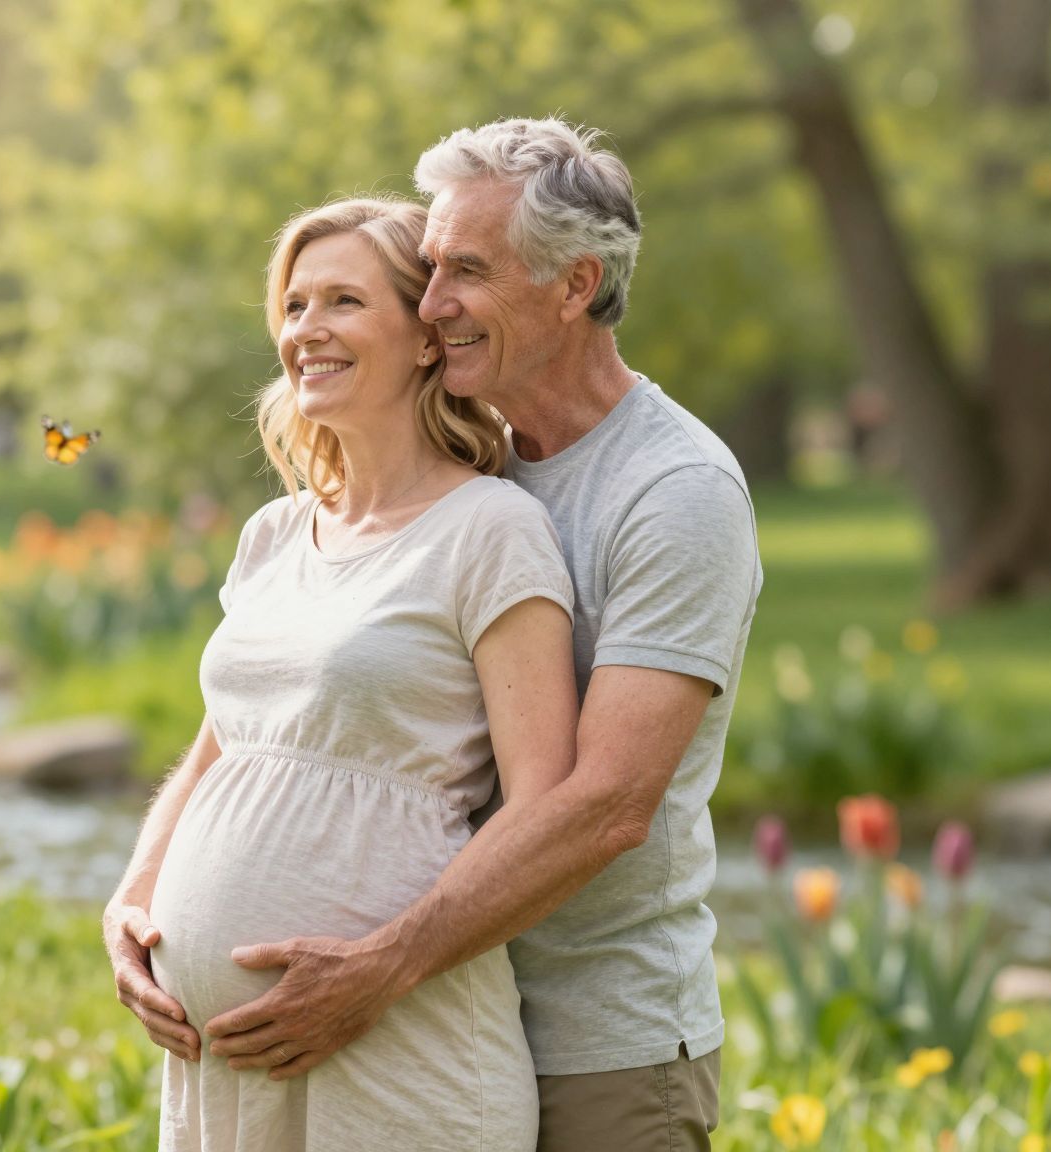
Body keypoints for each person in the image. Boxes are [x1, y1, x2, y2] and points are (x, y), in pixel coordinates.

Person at [194, 119, 763, 1151]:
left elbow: (606, 806)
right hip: (428, 1015)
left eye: (463, 270)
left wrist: (381, 964)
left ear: (572, 283)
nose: (432, 299)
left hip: (596, 1036)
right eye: (425, 271)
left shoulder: (672, 492)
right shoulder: (468, 462)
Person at [102, 196, 581, 1149]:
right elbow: (215, 755)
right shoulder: (274, 533)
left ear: (423, 336)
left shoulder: (491, 531)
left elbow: (544, 803)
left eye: (343, 302)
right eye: (293, 305)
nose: (305, 330)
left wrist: (377, 967)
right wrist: (135, 895)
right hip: (220, 1066)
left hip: (400, 1046)